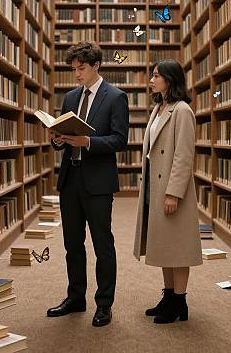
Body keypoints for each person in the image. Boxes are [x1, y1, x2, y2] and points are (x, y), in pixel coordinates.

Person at [47, 41, 129, 327]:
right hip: (70, 178)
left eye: (81, 68)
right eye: (73, 69)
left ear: (96, 65)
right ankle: (76, 297)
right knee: (72, 244)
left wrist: (88, 142)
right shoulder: (70, 98)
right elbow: (61, 136)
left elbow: (120, 140)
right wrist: (57, 139)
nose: (77, 74)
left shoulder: (116, 97)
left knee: (102, 244)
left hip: (98, 181)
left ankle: (104, 304)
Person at [133, 59, 202, 324]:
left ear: (170, 80)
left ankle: (179, 302)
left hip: (172, 190)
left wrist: (174, 193)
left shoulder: (182, 110)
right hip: (154, 185)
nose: (151, 80)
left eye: (156, 75)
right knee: (164, 245)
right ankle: (169, 296)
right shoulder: (160, 108)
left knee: (178, 247)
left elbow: (184, 156)